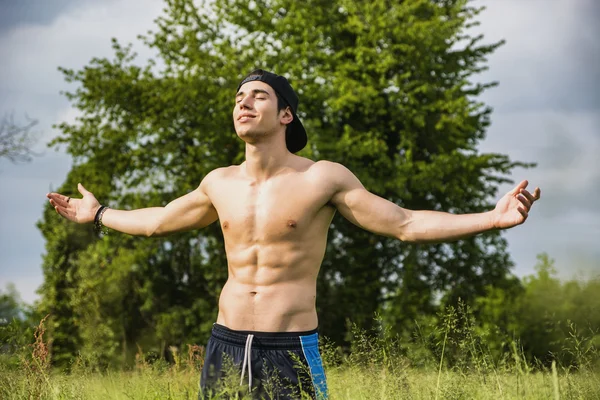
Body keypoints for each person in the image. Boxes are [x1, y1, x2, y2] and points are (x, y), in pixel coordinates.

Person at [47, 69, 541, 399]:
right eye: (238, 97)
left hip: (288, 348)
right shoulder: (217, 183)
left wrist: (491, 219)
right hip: (225, 343)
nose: (244, 102)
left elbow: (405, 224)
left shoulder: (321, 178)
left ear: (286, 115)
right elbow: (156, 222)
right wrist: (99, 214)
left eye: (258, 95)